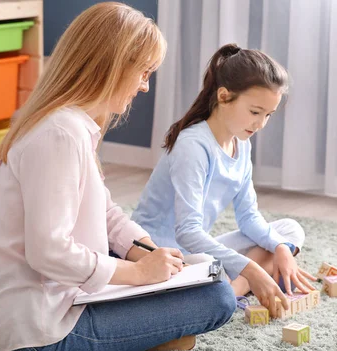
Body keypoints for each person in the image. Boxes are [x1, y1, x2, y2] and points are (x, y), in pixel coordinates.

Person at [0, 2, 237, 351]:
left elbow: (105, 214)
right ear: (113, 66)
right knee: (218, 296)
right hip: (37, 328)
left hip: (15, 308)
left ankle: (139, 325)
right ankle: (136, 334)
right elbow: (48, 252)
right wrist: (138, 273)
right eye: (143, 73)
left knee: (194, 267)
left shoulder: (68, 123)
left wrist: (147, 251)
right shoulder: (61, 134)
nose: (145, 86)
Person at [131, 43, 317, 312]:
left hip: (194, 252)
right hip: (161, 256)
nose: (260, 124)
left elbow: (249, 217)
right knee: (244, 262)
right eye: (255, 112)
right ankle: (239, 286)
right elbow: (188, 232)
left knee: (289, 231)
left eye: (268, 115)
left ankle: (232, 290)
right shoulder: (192, 146)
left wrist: (280, 248)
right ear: (224, 96)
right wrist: (252, 269)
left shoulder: (242, 143)